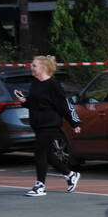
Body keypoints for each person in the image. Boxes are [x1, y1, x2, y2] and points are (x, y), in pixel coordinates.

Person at [14, 55, 82, 197]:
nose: (30, 67)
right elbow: (36, 103)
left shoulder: (53, 84)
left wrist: (75, 122)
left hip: (50, 124)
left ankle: (40, 186)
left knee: (39, 152)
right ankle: (70, 175)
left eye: (34, 65)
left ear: (43, 68)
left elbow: (64, 104)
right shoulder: (35, 83)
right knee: (47, 154)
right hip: (38, 124)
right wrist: (24, 101)